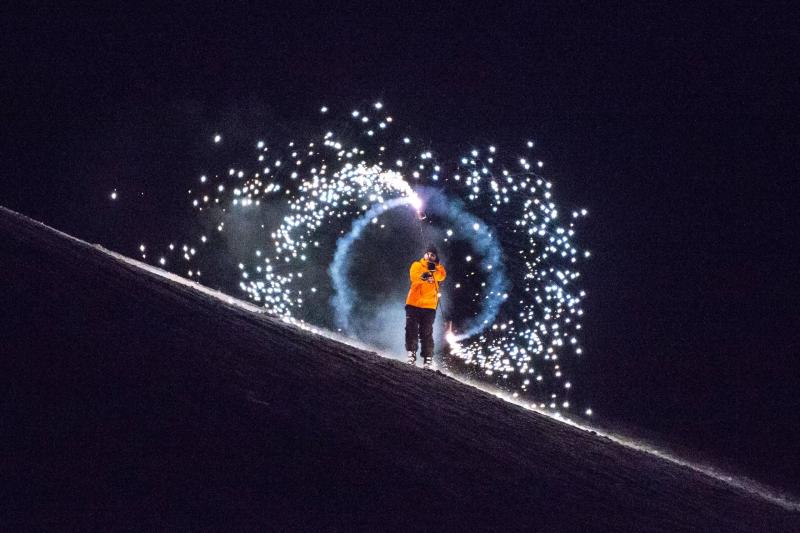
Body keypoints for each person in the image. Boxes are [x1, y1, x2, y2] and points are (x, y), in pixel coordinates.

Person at [405, 244, 446, 369]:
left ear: (435, 257)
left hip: (429, 306)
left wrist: (434, 269)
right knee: (411, 329)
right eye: (428, 254)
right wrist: (425, 275)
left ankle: (428, 359)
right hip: (414, 303)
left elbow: (442, 276)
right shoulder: (417, 265)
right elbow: (414, 277)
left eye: (433, 255)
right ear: (424, 254)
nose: (430, 256)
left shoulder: (438, 269)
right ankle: (411, 354)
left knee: (426, 332)